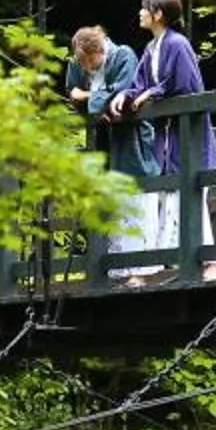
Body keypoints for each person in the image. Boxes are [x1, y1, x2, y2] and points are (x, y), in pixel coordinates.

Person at [123, 0, 216, 286]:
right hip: (166, 140)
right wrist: (124, 98)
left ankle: (212, 262)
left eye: (145, 8)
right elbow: (138, 83)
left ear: (158, 14)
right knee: (164, 198)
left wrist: (151, 93)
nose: (140, 13)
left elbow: (186, 85)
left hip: (187, 138)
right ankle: (153, 266)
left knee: (189, 196)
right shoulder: (151, 49)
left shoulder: (178, 45)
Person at [63, 25, 152, 282]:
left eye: (91, 61)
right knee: (105, 197)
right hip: (101, 138)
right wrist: (95, 98)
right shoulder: (76, 63)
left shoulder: (123, 55)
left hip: (129, 136)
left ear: (100, 50)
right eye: (83, 63)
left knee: (135, 194)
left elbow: (121, 91)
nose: (88, 68)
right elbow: (72, 92)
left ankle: (141, 268)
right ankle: (113, 267)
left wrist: (90, 96)